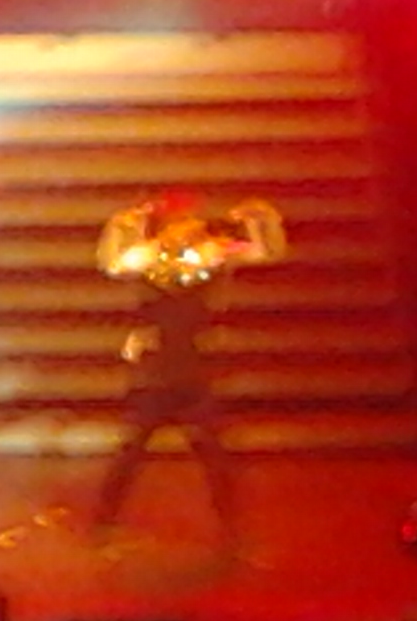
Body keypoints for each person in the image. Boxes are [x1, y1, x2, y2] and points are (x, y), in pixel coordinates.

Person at [92, 189, 287, 542]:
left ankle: (231, 523)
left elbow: (264, 252)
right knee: (133, 449)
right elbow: (113, 263)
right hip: (157, 367)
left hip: (191, 365)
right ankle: (105, 518)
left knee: (211, 451)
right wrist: (121, 227)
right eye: (179, 221)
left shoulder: (208, 255)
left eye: (190, 220)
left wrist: (260, 220)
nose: (187, 227)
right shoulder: (148, 256)